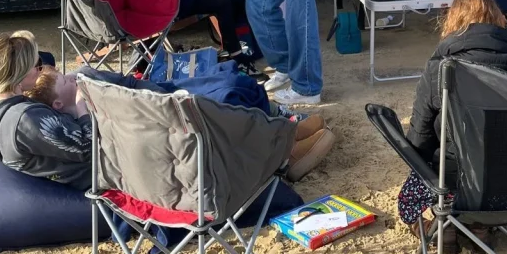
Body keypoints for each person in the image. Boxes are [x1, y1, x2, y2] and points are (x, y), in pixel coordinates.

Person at [399, 0, 507, 253]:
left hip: (458, 183)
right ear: (499, 21)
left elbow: (419, 141)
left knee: (422, 175)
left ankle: (447, 226)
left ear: (453, 23)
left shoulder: (439, 70)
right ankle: (480, 227)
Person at [26, 67, 335, 183]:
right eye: (64, 80)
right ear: (57, 104)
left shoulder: (77, 110)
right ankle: (283, 155)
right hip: (174, 163)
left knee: (227, 84)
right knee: (221, 101)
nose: (71, 77)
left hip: (162, 145)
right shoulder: (80, 125)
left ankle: (281, 130)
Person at [0, 32, 92, 189]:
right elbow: (90, 148)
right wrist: (81, 106)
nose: (40, 68)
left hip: (54, 181)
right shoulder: (25, 119)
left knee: (85, 72)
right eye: (36, 64)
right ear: (19, 76)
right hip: (96, 179)